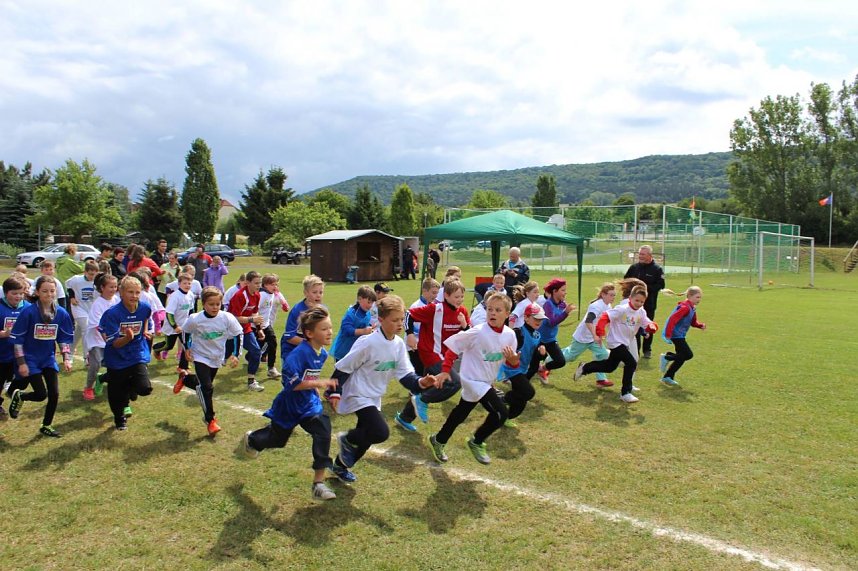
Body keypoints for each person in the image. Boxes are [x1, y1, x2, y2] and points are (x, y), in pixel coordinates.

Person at [332, 296, 439, 482]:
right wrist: (334, 390)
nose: (399, 324)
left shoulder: (398, 345)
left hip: (374, 395)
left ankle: (340, 467)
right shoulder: (368, 342)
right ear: (381, 320)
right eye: (394, 320)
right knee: (380, 432)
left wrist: (422, 382)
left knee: (366, 439)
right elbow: (343, 367)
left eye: (401, 319)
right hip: (357, 393)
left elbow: (406, 376)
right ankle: (347, 438)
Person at [238, 306, 340, 501]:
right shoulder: (297, 355)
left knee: (323, 428)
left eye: (330, 328)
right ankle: (253, 440)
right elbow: (292, 384)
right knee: (278, 440)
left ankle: (318, 484)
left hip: (309, 404)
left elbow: (309, 376)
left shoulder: (323, 354)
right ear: (309, 333)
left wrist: (316, 391)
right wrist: (320, 383)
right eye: (324, 329)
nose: (329, 332)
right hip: (289, 406)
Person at [427, 293, 517, 465]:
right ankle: (476, 441)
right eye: (490, 309)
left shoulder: (510, 335)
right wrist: (445, 371)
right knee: (501, 413)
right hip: (472, 380)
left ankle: (438, 439)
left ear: (507, 314)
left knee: (460, 413)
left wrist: (513, 360)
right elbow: (453, 349)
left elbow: (512, 362)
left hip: (486, 381)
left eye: (498, 310)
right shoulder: (477, 332)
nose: (493, 313)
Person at [394, 278, 470, 431]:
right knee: (454, 382)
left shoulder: (462, 312)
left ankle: (404, 417)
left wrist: (465, 325)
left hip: (445, 356)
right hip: (430, 353)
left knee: (426, 385)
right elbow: (408, 314)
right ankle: (422, 400)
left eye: (462, 296)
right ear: (446, 296)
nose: (460, 300)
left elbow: (469, 336)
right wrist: (409, 334)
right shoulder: (436, 309)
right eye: (456, 296)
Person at [7, 276, 75, 437]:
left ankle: (46, 425)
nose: (49, 294)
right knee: (40, 394)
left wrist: (66, 357)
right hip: (30, 359)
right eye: (44, 291)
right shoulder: (28, 312)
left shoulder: (61, 313)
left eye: (52, 291)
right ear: (37, 292)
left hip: (48, 358)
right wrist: (22, 363)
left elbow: (64, 338)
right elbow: (17, 341)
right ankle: (21, 395)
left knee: (55, 394)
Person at [574, 285, 658, 403]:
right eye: (637, 300)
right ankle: (625, 393)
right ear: (630, 298)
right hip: (615, 342)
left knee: (610, 367)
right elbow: (605, 317)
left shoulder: (641, 311)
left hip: (625, 342)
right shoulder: (621, 309)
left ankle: (585, 368)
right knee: (631, 363)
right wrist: (600, 330)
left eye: (642, 301)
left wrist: (651, 326)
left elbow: (646, 322)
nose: (639, 303)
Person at [180, 287, 244, 436]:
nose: (215, 307)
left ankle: (185, 378)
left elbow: (238, 333)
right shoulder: (195, 319)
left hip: (217, 357)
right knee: (208, 388)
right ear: (203, 304)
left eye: (218, 303)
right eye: (211, 304)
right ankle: (210, 420)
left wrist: (235, 354)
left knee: (204, 386)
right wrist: (187, 347)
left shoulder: (227, 317)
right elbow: (185, 331)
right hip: (200, 356)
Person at [98, 275, 154, 430]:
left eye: (137, 292)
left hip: (137, 353)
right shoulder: (112, 314)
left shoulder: (144, 308)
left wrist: (144, 331)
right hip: (117, 356)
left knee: (144, 388)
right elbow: (115, 343)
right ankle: (119, 418)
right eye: (130, 292)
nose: (134, 296)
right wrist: (128, 337)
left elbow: (145, 319)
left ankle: (129, 389)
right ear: (120, 292)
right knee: (116, 393)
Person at [326, 286, 376, 410]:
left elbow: (365, 326)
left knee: (348, 373)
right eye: (368, 302)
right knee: (341, 372)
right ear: (360, 299)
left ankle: (334, 391)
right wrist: (364, 331)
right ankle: (331, 393)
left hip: (354, 350)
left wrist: (370, 328)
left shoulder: (367, 313)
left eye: (372, 303)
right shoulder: (351, 314)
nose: (370, 305)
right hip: (343, 349)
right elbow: (346, 329)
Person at [498, 303, 546, 427]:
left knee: (522, 400)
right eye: (536, 318)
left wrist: (542, 353)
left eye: (541, 319)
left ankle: (505, 418)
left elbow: (536, 356)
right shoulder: (518, 332)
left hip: (524, 370)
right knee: (529, 392)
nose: (538, 321)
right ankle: (501, 399)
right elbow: (505, 347)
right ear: (526, 318)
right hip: (512, 369)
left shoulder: (537, 335)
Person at [560, 282, 615, 388]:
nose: (613, 297)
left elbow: (606, 321)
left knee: (603, 354)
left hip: (594, 338)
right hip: (583, 337)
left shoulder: (608, 305)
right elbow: (589, 321)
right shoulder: (596, 306)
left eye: (614, 295)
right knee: (569, 357)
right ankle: (549, 360)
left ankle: (601, 379)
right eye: (611, 295)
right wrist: (595, 335)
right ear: (603, 294)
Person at [624, 245, 665, 359]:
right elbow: (626, 280)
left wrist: (644, 288)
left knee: (648, 326)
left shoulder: (657, 269)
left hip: (649, 304)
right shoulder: (634, 267)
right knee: (633, 326)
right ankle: (634, 350)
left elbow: (660, 285)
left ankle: (647, 350)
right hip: (633, 305)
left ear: (650, 255)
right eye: (639, 254)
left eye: (643, 254)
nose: (640, 256)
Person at [152, 273, 195, 384]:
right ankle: (156, 349)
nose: (187, 285)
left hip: (184, 326)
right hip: (172, 326)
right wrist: (175, 326)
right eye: (184, 283)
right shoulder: (175, 296)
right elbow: (169, 313)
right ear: (179, 284)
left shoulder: (190, 295)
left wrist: (192, 321)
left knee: (187, 345)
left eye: (189, 283)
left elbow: (191, 310)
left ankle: (182, 367)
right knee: (169, 346)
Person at [660, 286, 706, 387]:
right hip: (676, 335)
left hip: (680, 335)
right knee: (688, 354)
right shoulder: (684, 307)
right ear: (689, 296)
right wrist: (668, 333)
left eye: (700, 297)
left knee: (681, 357)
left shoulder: (692, 307)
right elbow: (672, 319)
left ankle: (668, 377)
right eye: (697, 297)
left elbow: (693, 322)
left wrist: (700, 325)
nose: (699, 300)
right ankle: (667, 357)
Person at [226, 270, 265, 392]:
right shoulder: (240, 296)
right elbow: (234, 317)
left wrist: (259, 329)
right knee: (221, 356)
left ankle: (251, 381)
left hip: (246, 329)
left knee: (256, 351)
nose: (259, 285)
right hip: (231, 329)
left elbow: (254, 312)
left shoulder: (257, 295)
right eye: (256, 283)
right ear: (247, 283)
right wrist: (252, 319)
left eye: (260, 283)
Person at [84, 273, 119, 401]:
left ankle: (102, 379)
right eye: (111, 287)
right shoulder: (98, 304)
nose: (113, 289)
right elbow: (97, 325)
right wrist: (107, 336)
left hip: (112, 340)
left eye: (115, 286)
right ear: (102, 288)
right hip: (97, 341)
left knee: (115, 365)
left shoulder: (117, 300)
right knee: (96, 365)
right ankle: (88, 387)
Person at [534, 278, 576, 384]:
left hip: (551, 339)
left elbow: (560, 312)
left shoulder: (561, 304)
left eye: (565, 290)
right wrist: (565, 313)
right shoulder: (548, 304)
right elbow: (551, 322)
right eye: (562, 290)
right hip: (540, 339)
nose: (565, 292)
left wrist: (565, 310)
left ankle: (542, 369)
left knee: (560, 361)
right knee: (531, 363)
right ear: (554, 291)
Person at [0, 277, 30, 419]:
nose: (18, 296)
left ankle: (11, 391)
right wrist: (4, 334)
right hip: (2, 353)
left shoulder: (28, 308)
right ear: (6, 293)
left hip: (20, 354)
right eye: (14, 293)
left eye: (20, 293)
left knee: (24, 379)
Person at [280, 274, 326, 362]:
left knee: (309, 375)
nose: (318, 295)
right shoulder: (298, 310)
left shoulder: (323, 311)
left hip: (310, 351)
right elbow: (289, 337)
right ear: (306, 293)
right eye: (314, 292)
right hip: (291, 351)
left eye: (321, 292)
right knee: (293, 375)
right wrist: (311, 344)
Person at [405, 277, 440, 374]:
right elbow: (409, 321)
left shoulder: (433, 305)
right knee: (419, 372)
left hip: (426, 346)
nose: (435, 296)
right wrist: (410, 335)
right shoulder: (417, 306)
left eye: (437, 293)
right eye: (433, 293)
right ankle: (415, 389)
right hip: (415, 346)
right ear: (424, 291)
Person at [65, 260, 99, 358]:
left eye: (94, 274)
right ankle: (87, 357)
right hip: (78, 307)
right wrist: (72, 297)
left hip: (91, 309)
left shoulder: (98, 281)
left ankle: (69, 352)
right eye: (90, 274)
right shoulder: (76, 279)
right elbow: (68, 286)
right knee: (87, 328)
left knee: (79, 331)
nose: (92, 276)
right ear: (85, 272)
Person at [258, 274, 289, 379]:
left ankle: (271, 368)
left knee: (273, 343)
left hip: (266, 325)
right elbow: (254, 310)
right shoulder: (262, 295)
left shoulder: (273, 294)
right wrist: (258, 327)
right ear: (265, 285)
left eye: (276, 284)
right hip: (256, 326)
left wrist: (284, 304)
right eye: (272, 284)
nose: (275, 286)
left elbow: (283, 302)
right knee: (258, 347)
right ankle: (253, 358)